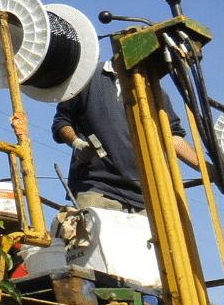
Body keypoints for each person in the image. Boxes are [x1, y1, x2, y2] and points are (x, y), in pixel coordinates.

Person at [52, 59, 213, 213]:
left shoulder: (154, 91)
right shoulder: (88, 78)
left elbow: (172, 138)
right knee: (91, 240)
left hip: (146, 197)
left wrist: (210, 171)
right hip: (96, 189)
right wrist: (77, 143)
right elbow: (62, 122)